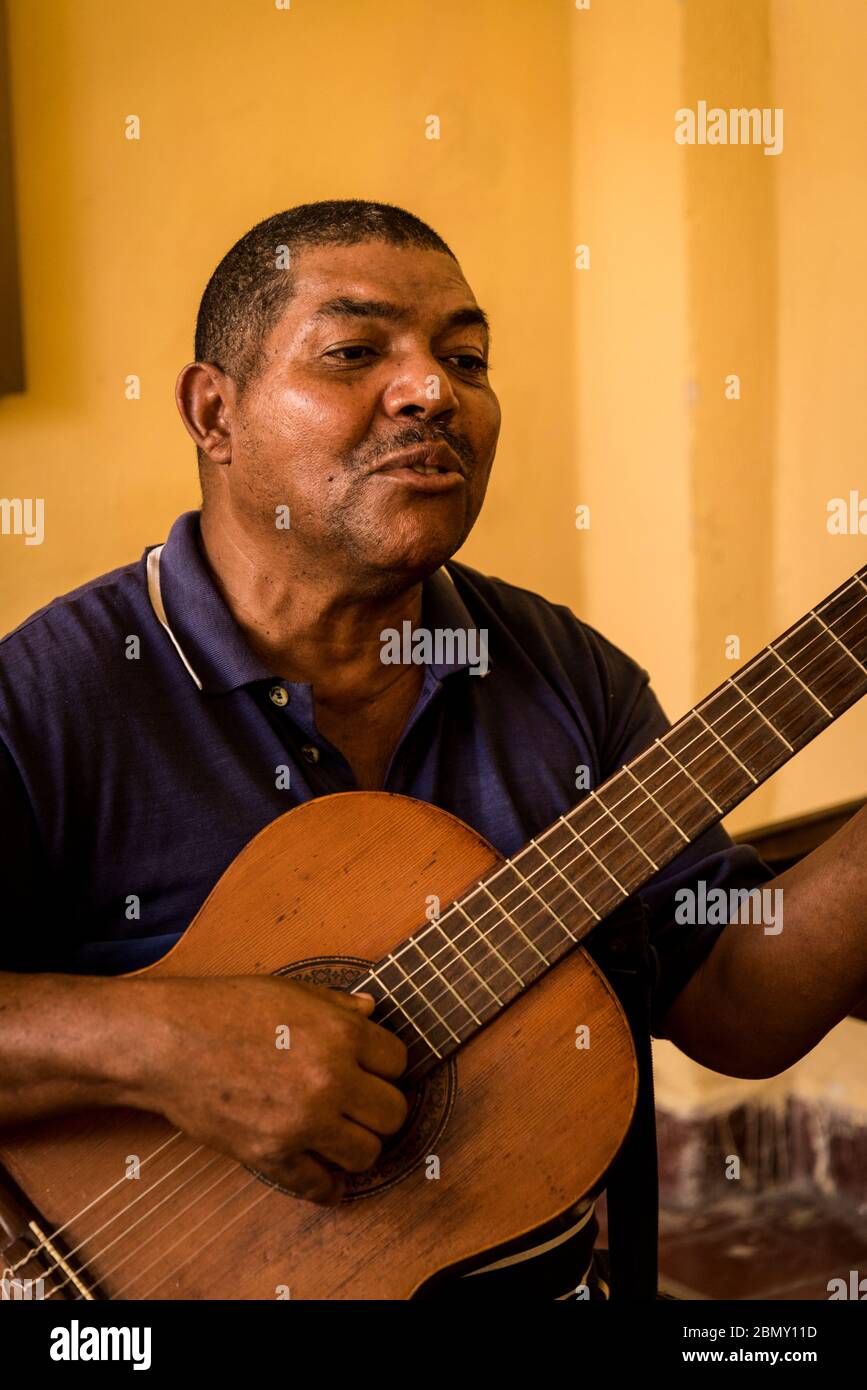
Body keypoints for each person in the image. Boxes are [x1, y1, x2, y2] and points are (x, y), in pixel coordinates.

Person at [2, 201, 866, 1301]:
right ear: (214, 412)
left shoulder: (569, 677)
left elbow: (733, 1000)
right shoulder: (52, 700)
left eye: (467, 358)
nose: (432, 392)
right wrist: (164, 1044)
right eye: (357, 351)